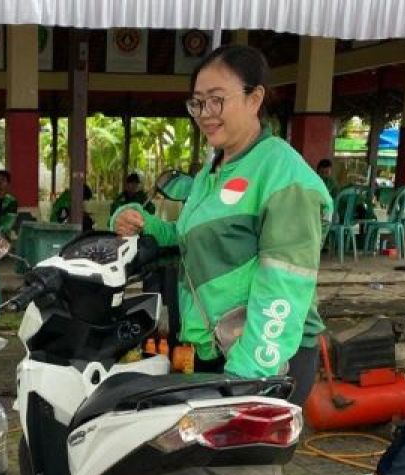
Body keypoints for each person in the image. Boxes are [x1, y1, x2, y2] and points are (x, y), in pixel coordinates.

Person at [113, 46, 332, 404]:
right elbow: (186, 239)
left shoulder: (283, 175)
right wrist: (141, 221)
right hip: (216, 349)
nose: (205, 114)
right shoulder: (212, 169)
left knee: (243, 463)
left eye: (216, 100)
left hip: (265, 359)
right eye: (197, 103)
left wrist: (249, 376)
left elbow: (284, 282)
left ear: (254, 98)